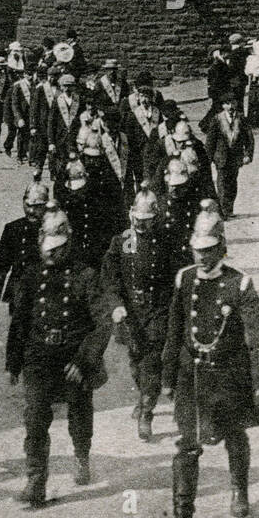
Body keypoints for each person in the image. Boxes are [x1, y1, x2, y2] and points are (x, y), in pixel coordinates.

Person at [161, 203, 259, 518]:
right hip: (192, 376)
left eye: (209, 250)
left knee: (234, 435)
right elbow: (174, 330)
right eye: (198, 249)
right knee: (188, 446)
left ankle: (239, 489)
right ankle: (183, 517)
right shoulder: (185, 279)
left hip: (229, 375)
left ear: (222, 248)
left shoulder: (239, 285)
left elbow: (258, 339)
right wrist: (166, 375)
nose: (203, 257)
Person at [5, 207, 112, 508]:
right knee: (35, 418)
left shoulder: (85, 276)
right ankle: (36, 481)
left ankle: (81, 455)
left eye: (58, 249)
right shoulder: (29, 276)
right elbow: (20, 321)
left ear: (68, 244)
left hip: (73, 357)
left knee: (79, 413)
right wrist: (13, 362)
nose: (52, 255)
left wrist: (83, 360)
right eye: (47, 250)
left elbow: (103, 322)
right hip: (39, 356)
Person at [102, 184, 172, 441]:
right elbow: (110, 277)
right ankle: (143, 394)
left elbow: (176, 276)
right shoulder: (122, 241)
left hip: (157, 310)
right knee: (135, 359)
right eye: (137, 219)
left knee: (151, 362)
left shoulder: (166, 240)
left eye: (147, 220)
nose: (141, 225)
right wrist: (116, 304)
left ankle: (146, 411)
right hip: (130, 311)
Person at [0, 175, 49, 324]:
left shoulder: (54, 230)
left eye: (37, 207)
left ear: (46, 206)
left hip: (48, 294)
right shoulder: (14, 229)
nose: (31, 211)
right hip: (19, 294)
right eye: (28, 205)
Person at [203, 88, 254, 220]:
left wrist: (248, 154)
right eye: (227, 103)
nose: (230, 106)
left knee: (232, 184)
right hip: (221, 158)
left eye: (232, 103)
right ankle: (223, 211)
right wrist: (207, 160)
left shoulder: (241, 119)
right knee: (222, 184)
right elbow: (210, 141)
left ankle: (229, 208)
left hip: (236, 158)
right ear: (223, 105)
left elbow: (249, 138)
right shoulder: (217, 120)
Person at [47, 72, 84, 180]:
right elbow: (51, 122)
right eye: (65, 86)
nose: (67, 88)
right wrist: (51, 142)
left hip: (74, 137)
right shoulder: (57, 100)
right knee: (61, 166)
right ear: (61, 87)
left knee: (75, 165)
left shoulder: (78, 100)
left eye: (70, 86)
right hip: (60, 138)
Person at [3, 68, 31, 163]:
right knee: (20, 134)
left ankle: (26, 153)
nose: (30, 77)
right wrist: (17, 117)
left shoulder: (35, 85)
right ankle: (19, 155)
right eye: (28, 74)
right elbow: (13, 103)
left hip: (29, 114)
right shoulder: (17, 86)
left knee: (27, 134)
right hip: (18, 114)